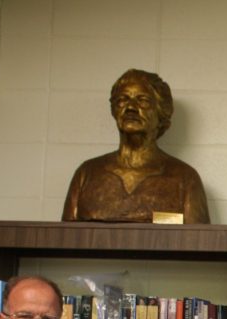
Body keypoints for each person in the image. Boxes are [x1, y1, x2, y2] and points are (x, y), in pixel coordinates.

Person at [62, 68, 210, 224]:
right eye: (122, 100)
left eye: (143, 100)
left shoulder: (185, 178)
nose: (131, 107)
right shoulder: (87, 173)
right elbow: (63, 240)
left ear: (160, 113)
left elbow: (197, 242)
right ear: (114, 111)